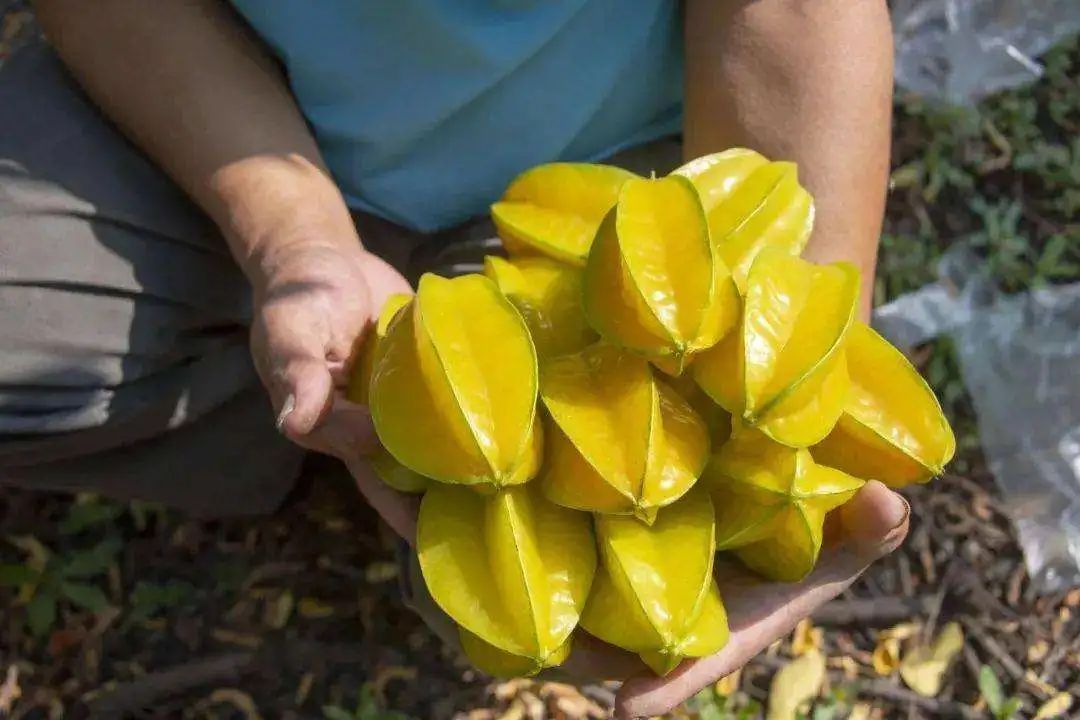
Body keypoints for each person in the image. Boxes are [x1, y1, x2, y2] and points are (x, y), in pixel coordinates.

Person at [0, 1, 908, 716]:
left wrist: (788, 392)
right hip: (224, 98)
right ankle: (308, 436)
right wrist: (292, 236)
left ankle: (387, 450)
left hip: (615, 181)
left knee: (542, 557)